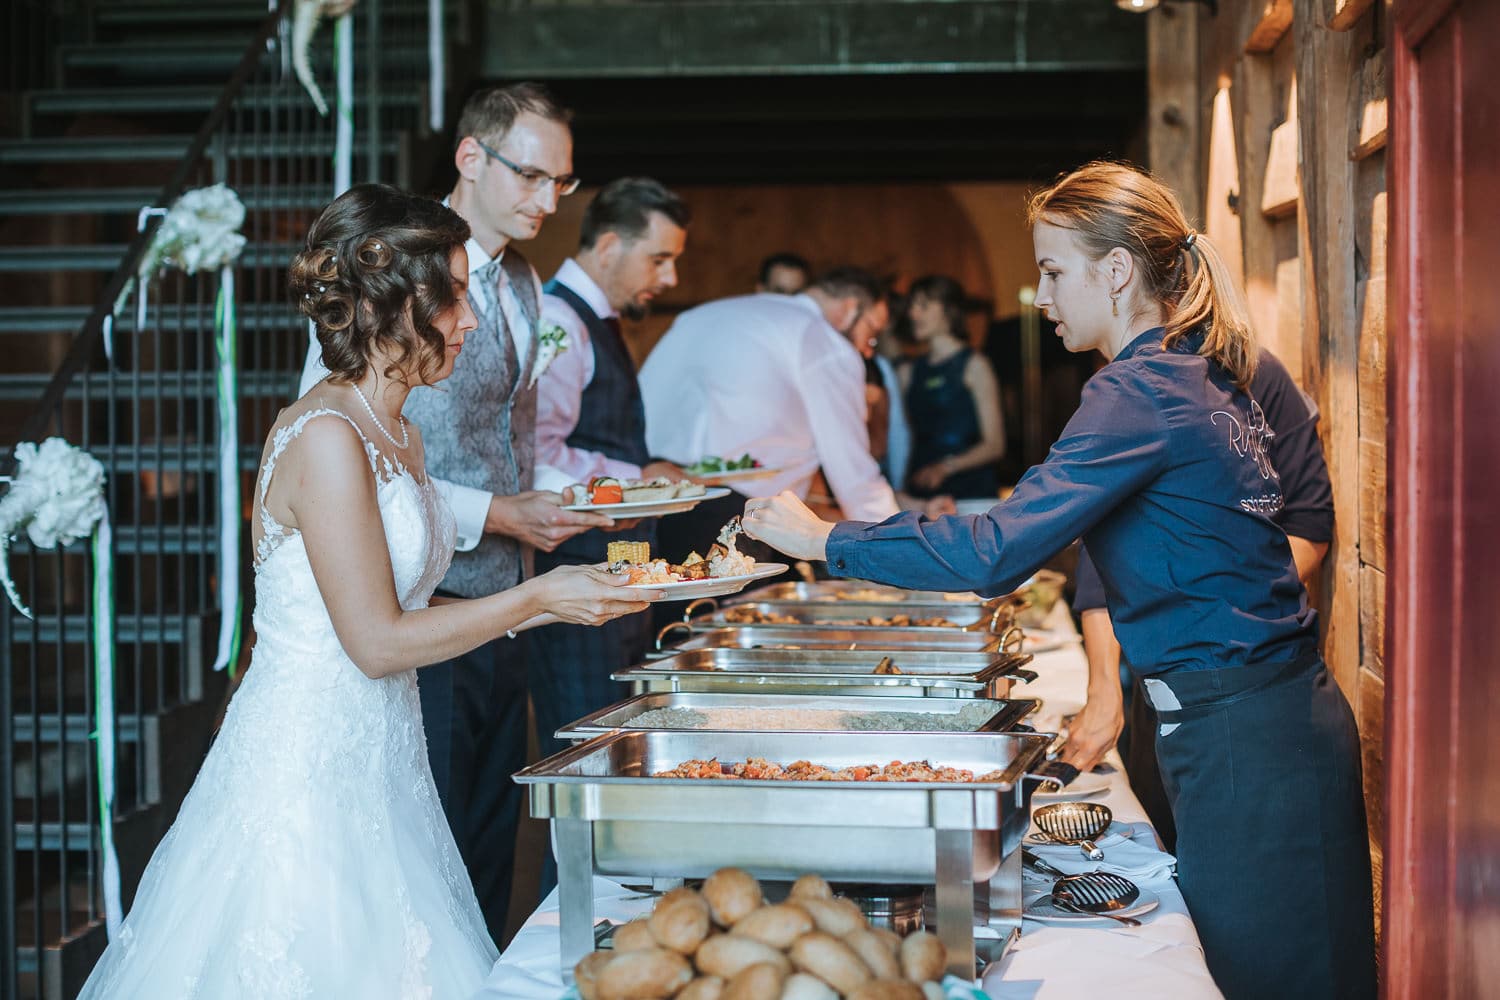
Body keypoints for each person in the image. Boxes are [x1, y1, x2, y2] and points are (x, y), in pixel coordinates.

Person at [740, 162, 1375, 1000]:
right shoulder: (1192, 367)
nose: (1038, 297)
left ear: (1116, 273)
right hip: (1263, 722)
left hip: (1248, 737)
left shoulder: (1138, 391)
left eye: (1052, 271)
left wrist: (827, 537)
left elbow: (995, 551)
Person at [78, 185, 659, 997]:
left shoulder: (399, 433)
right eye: (453, 296)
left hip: (385, 758)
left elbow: (404, 609)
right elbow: (375, 640)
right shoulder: (325, 436)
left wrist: (576, 588)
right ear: (393, 306)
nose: (472, 319)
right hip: (306, 771)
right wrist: (536, 600)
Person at [298, 82, 608, 944]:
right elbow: (341, 457)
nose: (549, 201)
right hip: (412, 612)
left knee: (477, 847)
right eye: (532, 175)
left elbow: (512, 430)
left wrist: (548, 516)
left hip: (499, 607)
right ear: (471, 157)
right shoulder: (387, 273)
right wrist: (499, 515)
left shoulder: (527, 284)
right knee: (415, 861)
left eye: (563, 183)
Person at [1062, 345, 1334, 853]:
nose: (1042, 299)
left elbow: (1310, 525)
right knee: (1163, 844)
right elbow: (1099, 552)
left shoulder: (1257, 374)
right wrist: (1103, 688)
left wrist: (1206, 598)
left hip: (1255, 675)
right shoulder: (1119, 385)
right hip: (1161, 678)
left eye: (1056, 273)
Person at [530, 176, 689, 775]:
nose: (669, 277)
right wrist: (642, 474)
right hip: (577, 566)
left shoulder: (596, 319)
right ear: (608, 247)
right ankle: (574, 872)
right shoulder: (560, 321)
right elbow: (539, 454)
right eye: (659, 258)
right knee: (588, 751)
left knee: (619, 735)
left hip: (615, 559)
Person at [901, 274, 1005, 498]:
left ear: (949, 309)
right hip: (922, 493)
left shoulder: (975, 365)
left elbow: (995, 444)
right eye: (912, 305)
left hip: (970, 493)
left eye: (923, 305)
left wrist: (945, 468)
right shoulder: (908, 371)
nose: (913, 313)